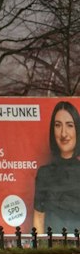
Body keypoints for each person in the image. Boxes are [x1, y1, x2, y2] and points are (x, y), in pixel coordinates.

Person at [33, 100, 80, 236]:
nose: (63, 133)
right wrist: (41, 252)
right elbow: (38, 218)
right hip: (53, 248)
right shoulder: (44, 174)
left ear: (77, 129)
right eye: (58, 125)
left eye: (70, 125)